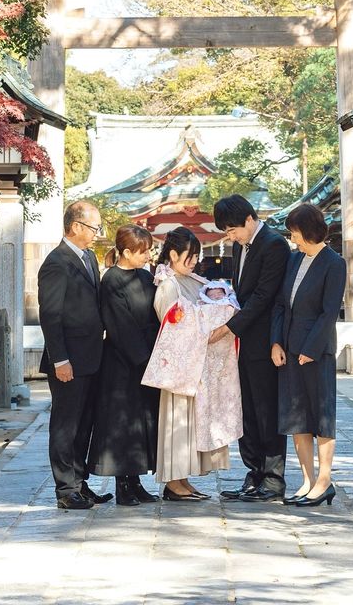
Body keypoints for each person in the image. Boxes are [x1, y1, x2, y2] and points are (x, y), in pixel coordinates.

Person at [211, 194, 291, 503]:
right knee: (246, 411)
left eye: (232, 230)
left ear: (249, 220)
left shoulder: (274, 245)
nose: (229, 237)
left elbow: (263, 296)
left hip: (264, 341)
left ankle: (272, 478)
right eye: (226, 232)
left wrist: (229, 327)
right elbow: (240, 293)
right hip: (242, 342)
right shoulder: (237, 245)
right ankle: (254, 473)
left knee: (266, 409)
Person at [151, 226, 238, 501]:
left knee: (195, 423)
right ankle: (174, 482)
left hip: (200, 364)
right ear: (173, 255)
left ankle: (183, 479)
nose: (193, 262)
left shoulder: (199, 282)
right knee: (179, 421)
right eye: (189, 256)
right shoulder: (168, 284)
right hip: (181, 365)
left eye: (196, 256)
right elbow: (173, 326)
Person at [37, 200, 112, 510]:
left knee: (85, 424)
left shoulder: (89, 258)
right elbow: (50, 315)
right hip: (68, 359)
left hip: (92, 355)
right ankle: (66, 490)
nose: (97, 233)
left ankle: (80, 485)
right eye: (94, 228)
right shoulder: (56, 262)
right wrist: (60, 359)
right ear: (76, 227)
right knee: (66, 425)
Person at [271, 203, 345, 507]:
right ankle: (306, 481)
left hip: (316, 352)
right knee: (296, 418)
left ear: (310, 231)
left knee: (321, 417)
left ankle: (324, 481)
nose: (293, 239)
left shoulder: (334, 263)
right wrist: (276, 342)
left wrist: (309, 350)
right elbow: (280, 305)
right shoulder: (293, 260)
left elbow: (329, 313)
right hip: (288, 350)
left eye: (295, 232)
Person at [88, 224, 161, 507]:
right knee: (121, 423)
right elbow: (120, 325)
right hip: (122, 363)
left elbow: (155, 315)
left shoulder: (145, 276)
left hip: (147, 359)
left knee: (141, 423)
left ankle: (137, 480)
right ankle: (123, 485)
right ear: (127, 252)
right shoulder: (112, 281)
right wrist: (143, 358)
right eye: (143, 252)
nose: (148, 256)